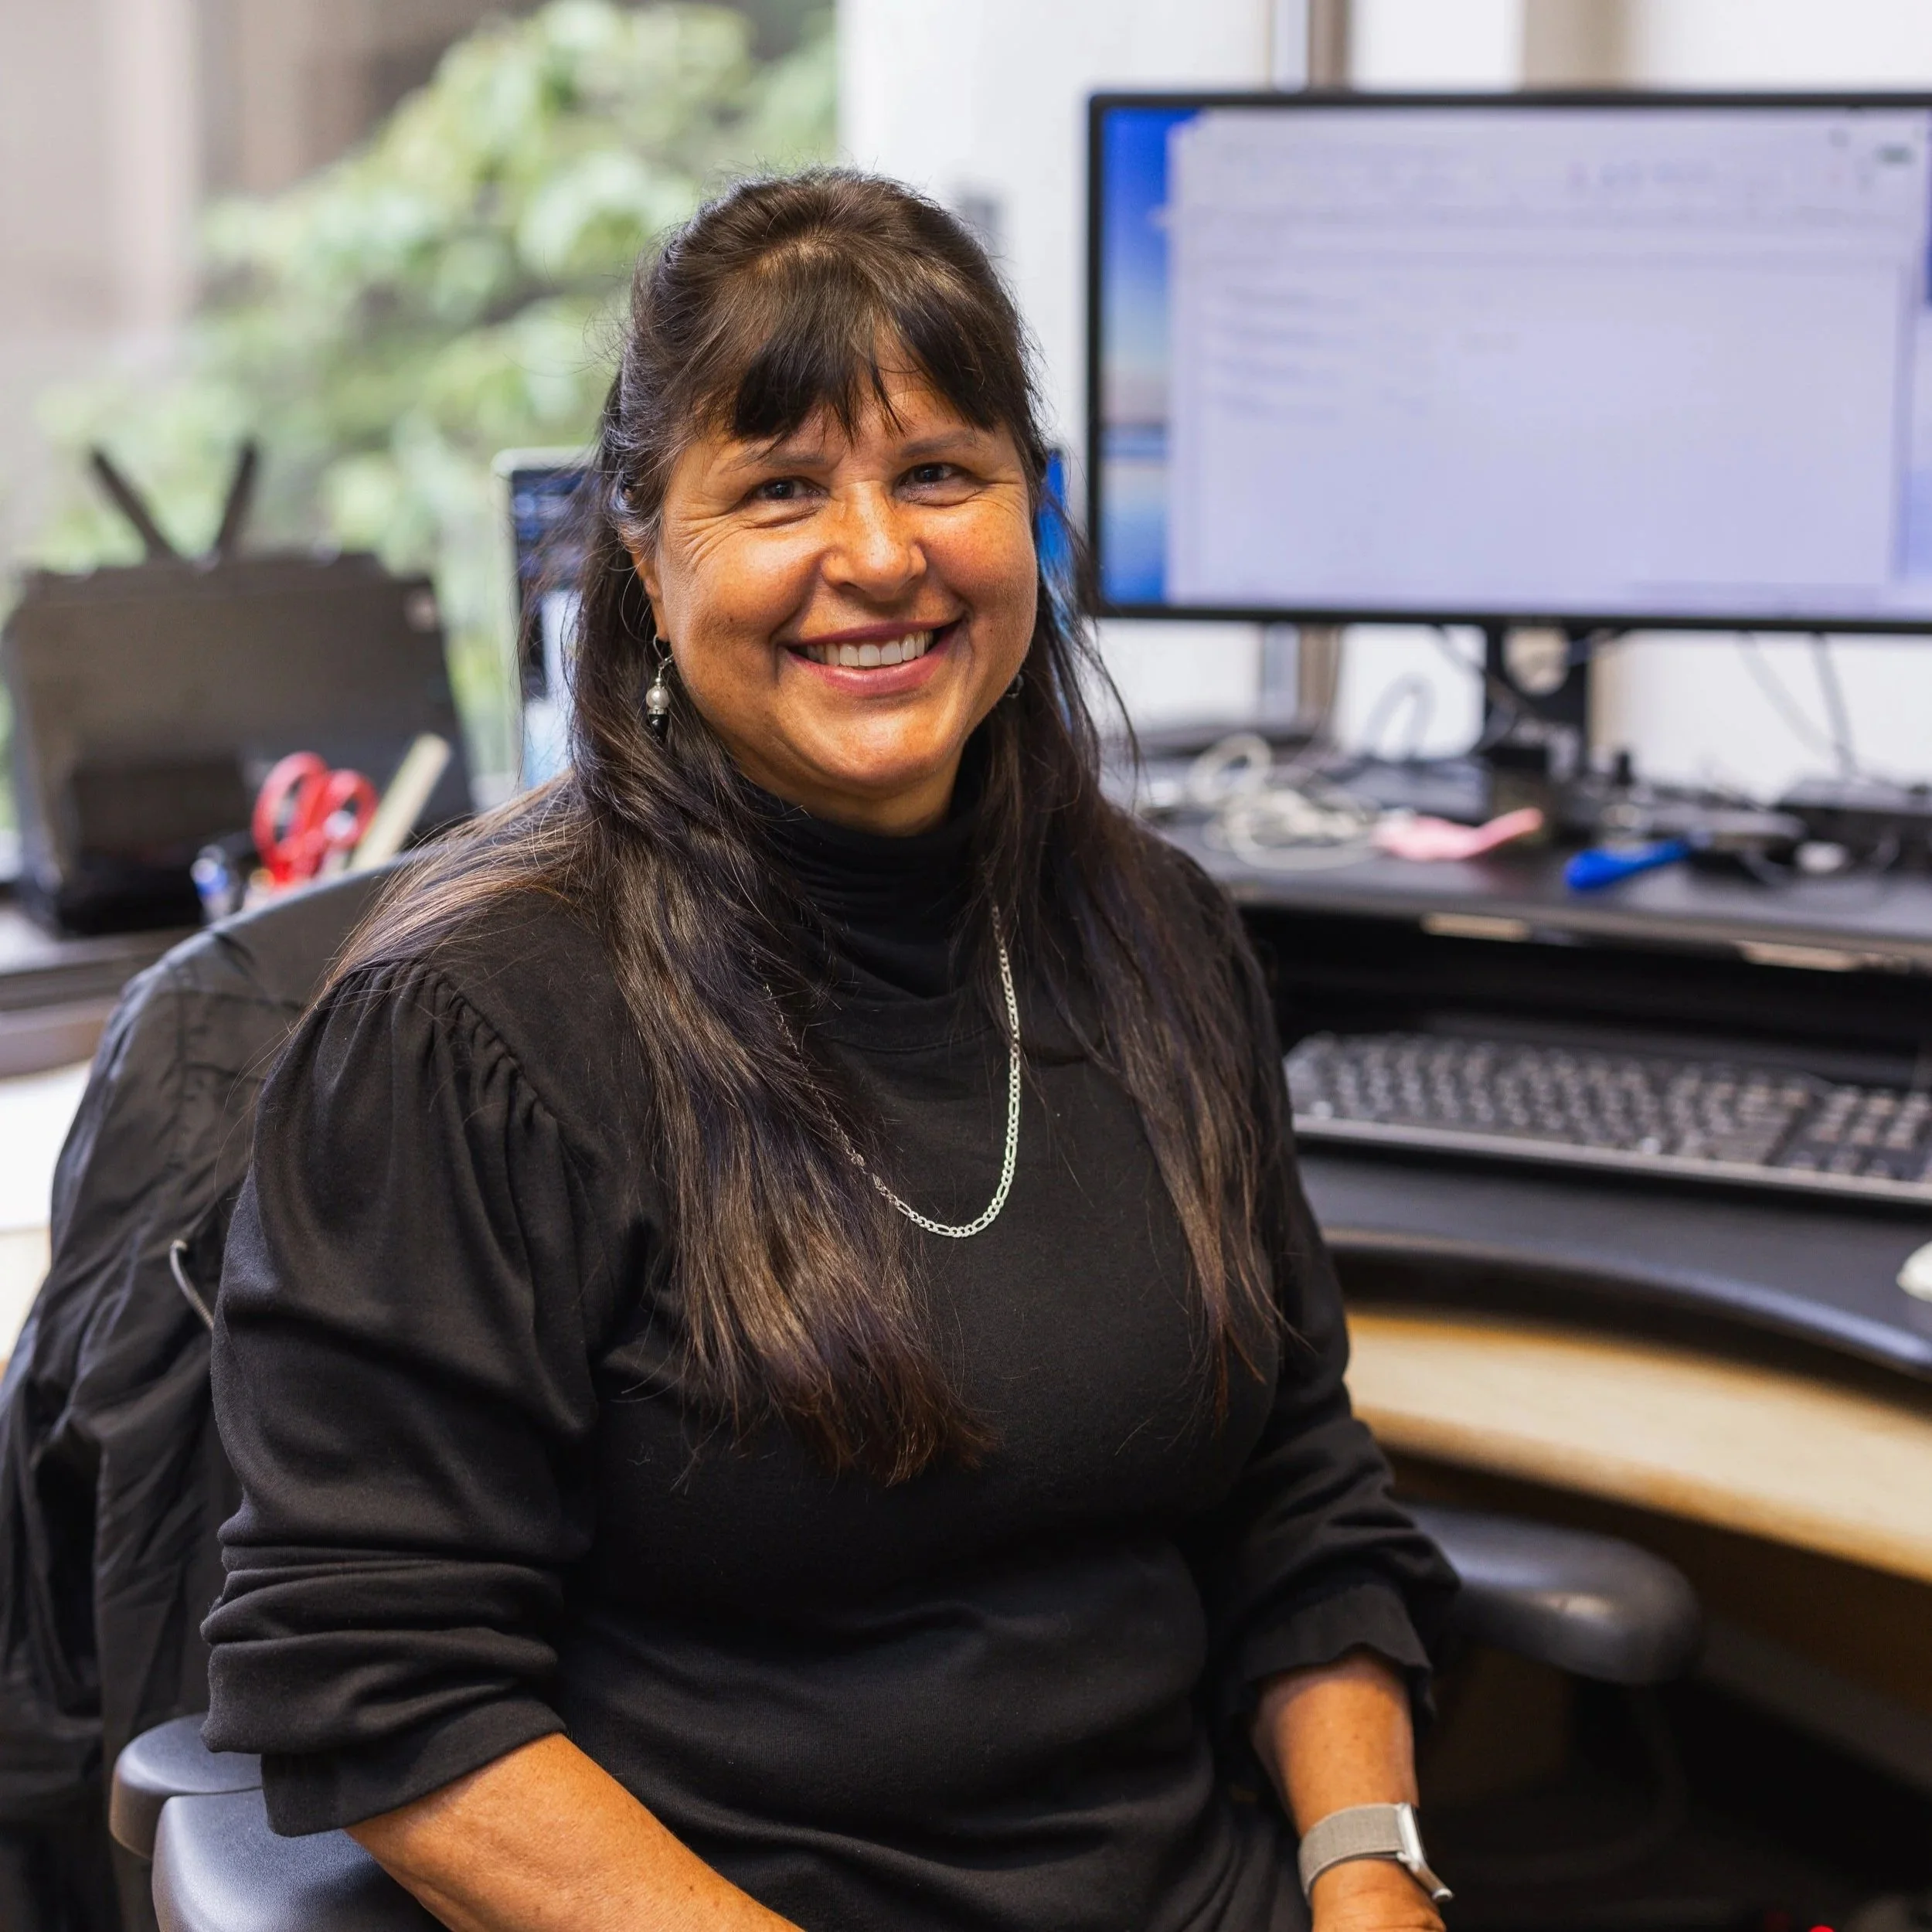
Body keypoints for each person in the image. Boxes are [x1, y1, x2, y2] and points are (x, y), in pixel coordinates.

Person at [202, 170, 1458, 1932]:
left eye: (941, 472)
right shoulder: (471, 1027)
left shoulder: (1155, 932)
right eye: (779, 489)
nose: (879, 556)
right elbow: (387, 1689)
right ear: (642, 553)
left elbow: (1295, 1501)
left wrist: (1368, 1873)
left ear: (1033, 512)